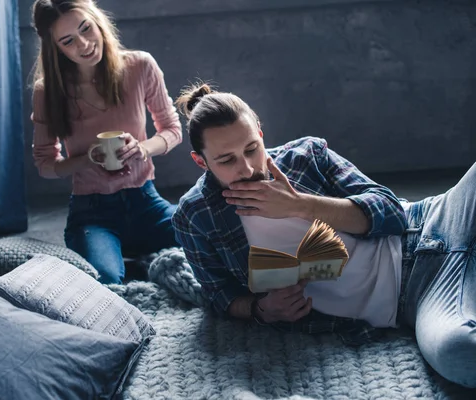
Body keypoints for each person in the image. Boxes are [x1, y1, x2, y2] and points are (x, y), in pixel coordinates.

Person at [172, 83, 476, 388]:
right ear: (201, 162)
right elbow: (219, 294)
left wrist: (300, 205)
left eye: (252, 148)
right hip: (416, 297)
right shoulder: (195, 217)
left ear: (261, 135)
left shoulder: (306, 155)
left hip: (433, 223)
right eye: (227, 160)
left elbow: (392, 212)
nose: (248, 168)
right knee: (458, 354)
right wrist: (261, 310)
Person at [30, 0, 182, 284]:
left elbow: (172, 130)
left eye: (86, 28)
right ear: (56, 48)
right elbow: (45, 164)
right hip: (93, 214)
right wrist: (86, 159)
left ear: (97, 19)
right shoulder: (47, 91)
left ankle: (137, 257)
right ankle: (126, 258)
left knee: (209, 239)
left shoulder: (140, 66)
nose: (85, 44)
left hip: (146, 203)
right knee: (107, 280)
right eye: (68, 41)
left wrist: (143, 148)